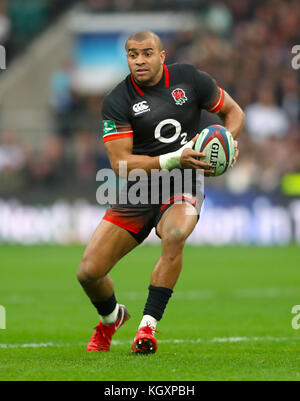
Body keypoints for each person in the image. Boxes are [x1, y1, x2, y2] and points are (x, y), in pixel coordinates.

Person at [77, 30, 244, 354]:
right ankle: (112, 318)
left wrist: (229, 141)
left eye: (147, 53)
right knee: (89, 272)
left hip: (184, 181)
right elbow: (121, 164)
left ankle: (147, 328)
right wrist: (173, 157)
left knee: (176, 232)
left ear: (162, 55)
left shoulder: (190, 79)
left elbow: (234, 113)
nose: (139, 60)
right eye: (132, 54)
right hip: (139, 186)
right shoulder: (117, 100)